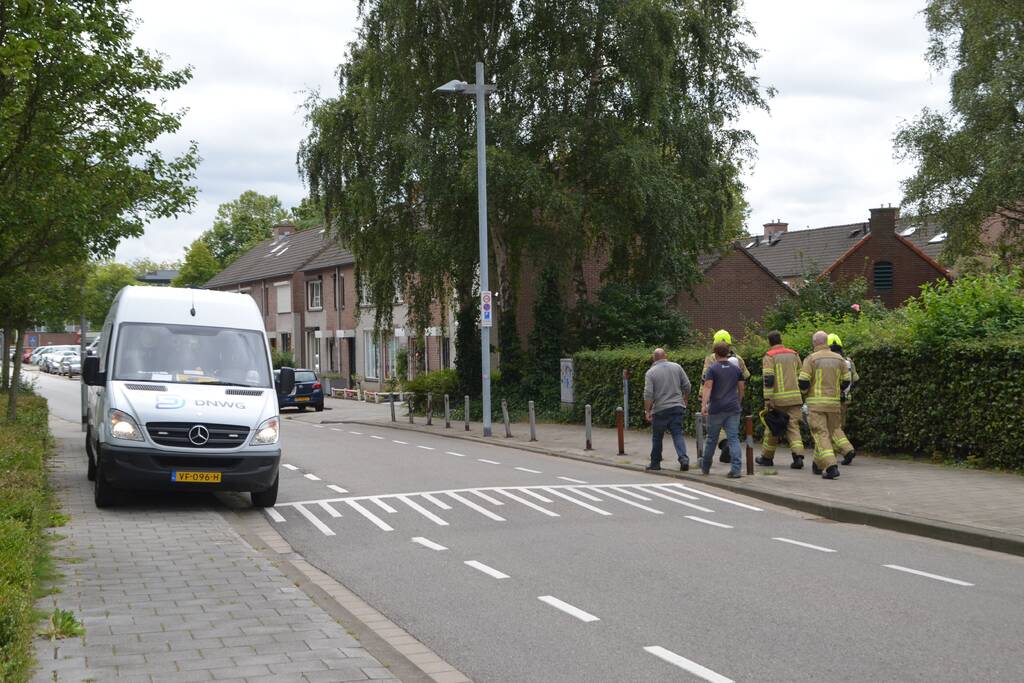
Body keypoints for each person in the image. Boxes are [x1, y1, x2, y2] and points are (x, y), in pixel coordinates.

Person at [798, 331, 854, 479]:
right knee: (827, 435)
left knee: (820, 434)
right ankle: (818, 465)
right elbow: (846, 381)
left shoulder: (811, 359)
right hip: (834, 405)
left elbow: (803, 382)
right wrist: (836, 392)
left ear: (815, 343)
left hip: (816, 405)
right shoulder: (839, 359)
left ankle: (831, 467)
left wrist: (805, 392)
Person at [757, 330, 807, 469]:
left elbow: (768, 379)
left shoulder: (769, 356)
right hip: (795, 398)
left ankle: (767, 458)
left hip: (777, 400)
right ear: (781, 340)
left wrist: (768, 399)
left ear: (769, 342)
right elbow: (801, 376)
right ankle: (798, 457)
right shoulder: (794, 354)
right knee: (793, 427)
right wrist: (802, 394)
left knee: (772, 428)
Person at [702, 330, 750, 463]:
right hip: (733, 399)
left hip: (716, 399)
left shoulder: (710, 359)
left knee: (713, 432)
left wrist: (703, 400)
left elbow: (705, 381)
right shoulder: (738, 359)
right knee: (733, 433)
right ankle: (735, 464)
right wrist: (740, 398)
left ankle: (723, 445)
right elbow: (745, 377)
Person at [643, 348, 692, 471]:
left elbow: (648, 394)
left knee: (657, 437)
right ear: (666, 356)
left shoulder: (651, 373)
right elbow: (687, 386)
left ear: (654, 358)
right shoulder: (677, 367)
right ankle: (683, 459)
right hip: (677, 407)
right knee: (677, 434)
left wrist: (647, 411)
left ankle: (655, 463)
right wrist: (684, 400)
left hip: (660, 409)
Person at [828, 334, 860, 462]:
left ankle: (845, 451)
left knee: (833, 427)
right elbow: (856, 379)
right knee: (839, 426)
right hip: (846, 399)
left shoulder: (830, 361)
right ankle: (841, 452)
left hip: (832, 399)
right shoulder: (848, 361)